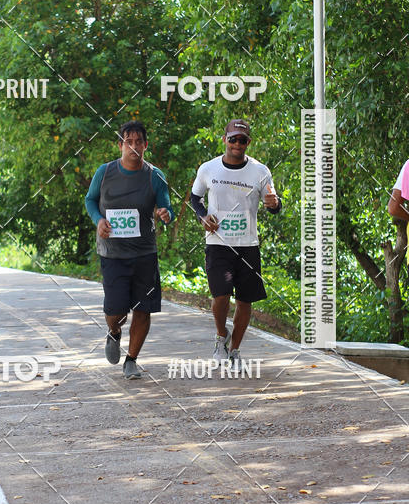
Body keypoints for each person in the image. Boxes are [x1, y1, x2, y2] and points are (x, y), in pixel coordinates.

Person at [85, 121, 175, 379]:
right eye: (128, 142)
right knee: (115, 311)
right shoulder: (105, 172)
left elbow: (166, 207)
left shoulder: (154, 176)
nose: (133, 147)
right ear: (121, 145)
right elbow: (90, 200)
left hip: (144, 254)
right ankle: (114, 332)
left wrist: (165, 214)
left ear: (146, 146)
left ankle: (132, 359)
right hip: (112, 253)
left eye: (138, 142)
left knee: (143, 308)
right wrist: (98, 220)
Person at [190, 119, 281, 369]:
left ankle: (235, 350)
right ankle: (221, 337)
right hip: (218, 243)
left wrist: (274, 204)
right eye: (233, 139)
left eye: (242, 140)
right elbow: (194, 198)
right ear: (224, 140)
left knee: (244, 301)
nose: (237, 144)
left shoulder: (260, 171)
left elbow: (272, 203)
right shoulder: (208, 169)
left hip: (247, 245)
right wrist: (202, 216)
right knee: (220, 295)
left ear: (248, 142)